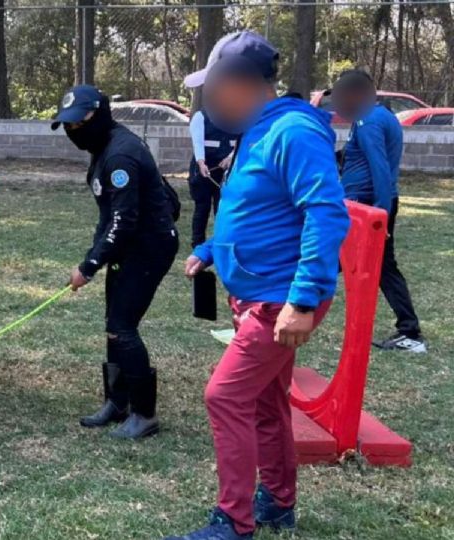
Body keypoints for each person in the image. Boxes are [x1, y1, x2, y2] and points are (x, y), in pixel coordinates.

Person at [169, 31, 350, 540]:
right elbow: (258, 209)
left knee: (224, 396)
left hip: (278, 300)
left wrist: (303, 299)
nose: (210, 99)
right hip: (257, 295)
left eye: (215, 86)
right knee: (267, 402)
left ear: (243, 82)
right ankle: (278, 502)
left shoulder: (294, 132)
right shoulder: (259, 132)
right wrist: (212, 249)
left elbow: (326, 213)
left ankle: (234, 521)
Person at [53, 85, 179, 440]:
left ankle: (144, 414)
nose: (73, 131)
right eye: (68, 125)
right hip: (128, 246)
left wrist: (89, 266)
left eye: (79, 123)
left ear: (100, 115)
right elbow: (108, 217)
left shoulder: (120, 156)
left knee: (123, 326)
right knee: (113, 323)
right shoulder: (104, 147)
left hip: (149, 247)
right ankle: (117, 401)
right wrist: (94, 255)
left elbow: (124, 222)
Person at [331, 69, 427, 353]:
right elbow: (358, 156)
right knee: (365, 263)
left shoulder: (369, 121)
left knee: (337, 257)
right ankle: (409, 330)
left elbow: (380, 169)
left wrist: (380, 216)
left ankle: (411, 332)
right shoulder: (378, 116)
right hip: (365, 204)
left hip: (367, 206)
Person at [188, 109, 235, 247]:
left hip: (226, 169)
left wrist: (230, 158)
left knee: (221, 208)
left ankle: (221, 242)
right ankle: (198, 244)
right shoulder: (201, 116)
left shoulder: (237, 117)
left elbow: (242, 139)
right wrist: (201, 163)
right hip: (203, 169)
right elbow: (198, 142)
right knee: (202, 207)